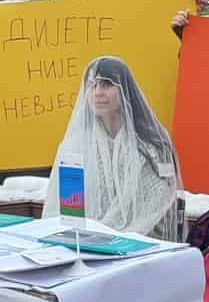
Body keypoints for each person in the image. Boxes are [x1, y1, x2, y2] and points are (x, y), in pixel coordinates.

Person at [54, 56, 184, 241]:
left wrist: (102, 237)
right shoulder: (76, 146)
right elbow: (68, 207)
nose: (97, 92)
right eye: (92, 85)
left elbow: (157, 209)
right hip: (85, 244)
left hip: (145, 245)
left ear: (125, 91)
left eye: (107, 84)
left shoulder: (151, 147)